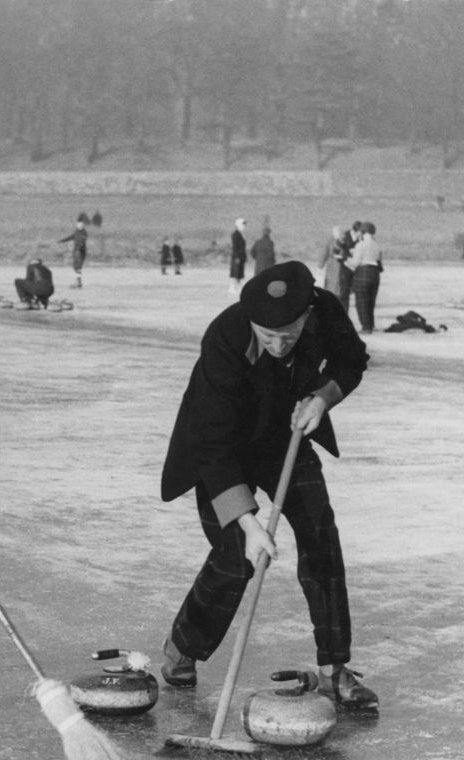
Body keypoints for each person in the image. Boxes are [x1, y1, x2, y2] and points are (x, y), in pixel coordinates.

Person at [158, 260, 377, 710]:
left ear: (306, 315)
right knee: (237, 554)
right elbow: (213, 441)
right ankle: (184, 644)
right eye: (267, 336)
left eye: (289, 336)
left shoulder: (324, 309)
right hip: (222, 450)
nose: (279, 345)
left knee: (321, 535)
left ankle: (334, 670)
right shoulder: (224, 336)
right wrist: (249, 522)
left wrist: (323, 397)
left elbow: (353, 359)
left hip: (286, 438)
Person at [350, 222, 383, 334]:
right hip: (375, 274)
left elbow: (355, 263)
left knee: (361, 301)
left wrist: (344, 258)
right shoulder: (376, 245)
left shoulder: (361, 245)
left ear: (363, 232)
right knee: (370, 301)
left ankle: (366, 327)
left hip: (362, 272)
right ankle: (371, 324)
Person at [335, 220, 362, 313]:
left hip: (357, 268)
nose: (360, 234)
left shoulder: (362, 237)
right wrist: (344, 261)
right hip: (345, 268)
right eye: (358, 232)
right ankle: (344, 314)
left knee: (358, 292)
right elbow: (336, 252)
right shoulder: (344, 236)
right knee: (344, 293)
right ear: (354, 230)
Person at [59, 219, 88, 288]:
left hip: (80, 251)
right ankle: (78, 282)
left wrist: (79, 247)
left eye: (81, 224)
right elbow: (71, 237)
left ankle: (78, 283)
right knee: (76, 267)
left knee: (77, 266)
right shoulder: (77, 232)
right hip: (76, 251)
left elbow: (82, 240)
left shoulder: (84, 232)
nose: (80, 225)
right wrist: (62, 241)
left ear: (83, 225)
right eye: (78, 224)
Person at [319, 226, 344, 296]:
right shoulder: (330, 242)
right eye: (337, 232)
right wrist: (321, 263)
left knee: (335, 281)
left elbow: (324, 253)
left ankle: (334, 295)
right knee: (332, 281)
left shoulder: (342, 241)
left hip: (338, 265)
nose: (338, 234)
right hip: (333, 265)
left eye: (339, 233)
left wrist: (321, 264)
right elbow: (325, 252)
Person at [228, 217, 247, 295]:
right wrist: (236, 257)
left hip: (240, 257)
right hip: (237, 257)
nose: (244, 226)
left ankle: (238, 287)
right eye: (243, 224)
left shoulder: (240, 234)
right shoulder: (235, 234)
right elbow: (235, 247)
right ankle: (232, 287)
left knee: (239, 273)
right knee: (235, 273)